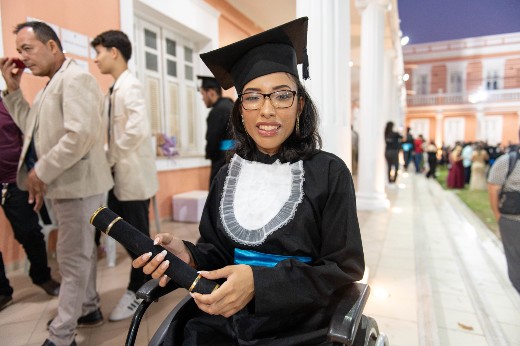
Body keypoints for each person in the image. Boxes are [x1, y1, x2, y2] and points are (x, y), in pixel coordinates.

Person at [133, 17, 365, 345]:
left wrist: (259, 282)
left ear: (299, 104)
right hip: (224, 319)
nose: (266, 110)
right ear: (240, 109)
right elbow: (218, 252)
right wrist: (188, 255)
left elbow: (344, 268)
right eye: (253, 97)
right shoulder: (229, 174)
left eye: (281, 96)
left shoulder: (329, 172)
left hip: (300, 323)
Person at [0, 21, 113, 346]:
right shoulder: (54, 83)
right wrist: (13, 88)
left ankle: (62, 335)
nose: (22, 56)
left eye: (27, 48)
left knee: (71, 258)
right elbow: (31, 128)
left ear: (52, 46)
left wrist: (40, 173)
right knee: (80, 255)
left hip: (79, 186)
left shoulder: (75, 79)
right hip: (70, 186)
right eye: (19, 50)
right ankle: (88, 308)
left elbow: (79, 136)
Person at [91, 30, 159, 322]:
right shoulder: (114, 89)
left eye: (99, 52)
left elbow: (137, 129)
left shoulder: (130, 86)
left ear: (114, 52)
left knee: (137, 239)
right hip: (118, 176)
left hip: (131, 176)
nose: (96, 59)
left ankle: (139, 289)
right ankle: (147, 280)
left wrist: (109, 155)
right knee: (121, 231)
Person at [0, 96, 60, 311]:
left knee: (30, 232)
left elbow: (31, 138)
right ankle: (2, 291)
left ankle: (41, 276)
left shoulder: (8, 103)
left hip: (16, 181)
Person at [487, 130, 520, 294]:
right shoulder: (507, 162)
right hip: (512, 220)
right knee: (515, 263)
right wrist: (498, 216)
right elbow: (493, 189)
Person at [197, 75, 234, 186]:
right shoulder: (231, 106)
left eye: (203, 94)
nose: (202, 98)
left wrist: (210, 153)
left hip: (222, 162)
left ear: (211, 93)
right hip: (235, 160)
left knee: (218, 198)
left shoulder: (218, 111)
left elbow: (213, 139)